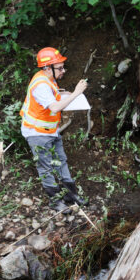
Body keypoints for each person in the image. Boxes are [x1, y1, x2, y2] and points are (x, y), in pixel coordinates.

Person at [19, 47, 89, 212]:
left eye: (63, 66)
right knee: (46, 166)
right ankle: (56, 201)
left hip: (50, 131)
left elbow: (54, 98)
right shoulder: (41, 85)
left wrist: (66, 95)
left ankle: (70, 195)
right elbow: (55, 107)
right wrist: (76, 93)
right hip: (37, 133)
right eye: (59, 68)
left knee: (61, 161)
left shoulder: (48, 79)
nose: (63, 70)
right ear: (46, 68)